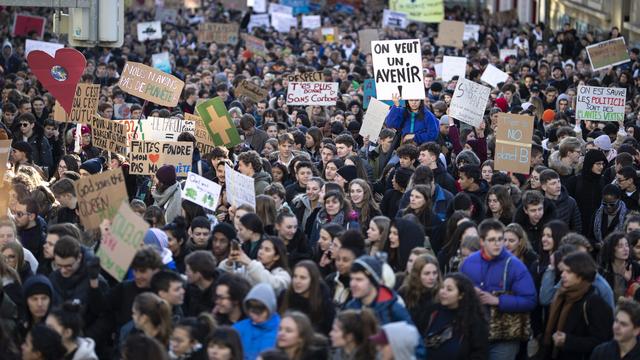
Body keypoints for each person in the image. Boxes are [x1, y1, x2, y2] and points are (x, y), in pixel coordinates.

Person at [460, 219, 537, 360]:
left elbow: (530, 300)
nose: (498, 243)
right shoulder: (468, 263)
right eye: (492, 239)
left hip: (504, 336)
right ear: (482, 241)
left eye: (500, 239)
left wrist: (498, 300)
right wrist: (470, 292)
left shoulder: (515, 265)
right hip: (474, 332)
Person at [543, 252, 613, 359]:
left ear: (582, 274)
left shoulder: (593, 302)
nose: (562, 275)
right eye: (563, 271)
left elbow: (601, 341)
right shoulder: (561, 295)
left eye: (568, 271)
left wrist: (568, 341)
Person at [424, 272, 489, 359]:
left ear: (461, 295)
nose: (443, 292)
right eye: (442, 287)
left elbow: (479, 354)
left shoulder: (474, 321)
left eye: (449, 289)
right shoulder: (432, 312)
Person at [345, 255, 412, 325]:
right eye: (352, 279)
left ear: (374, 282)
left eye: (359, 279)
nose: (353, 284)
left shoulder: (394, 310)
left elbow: (410, 334)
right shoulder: (351, 306)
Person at [220, 236, 291, 296]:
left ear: (276, 256)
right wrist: (229, 262)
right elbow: (229, 280)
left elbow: (272, 285)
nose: (261, 252)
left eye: (267, 250)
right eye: (261, 248)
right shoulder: (248, 269)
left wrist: (250, 263)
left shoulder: (283, 275)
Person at [279, 260, 335, 334]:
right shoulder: (284, 296)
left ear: (312, 281)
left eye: (303, 278)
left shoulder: (324, 302)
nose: (297, 281)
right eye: (295, 276)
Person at [233, 283, 281, 360]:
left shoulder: (281, 331)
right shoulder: (238, 329)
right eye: (252, 311)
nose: (255, 316)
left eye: (260, 312)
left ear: (270, 308)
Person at [398, 254, 441, 335]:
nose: (432, 277)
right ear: (417, 274)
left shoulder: (441, 294)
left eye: (435, 273)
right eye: (427, 273)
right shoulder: (405, 292)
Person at [184, 250, 218, 317]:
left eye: (188, 271)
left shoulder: (219, 291)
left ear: (198, 274)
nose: (186, 273)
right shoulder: (189, 289)